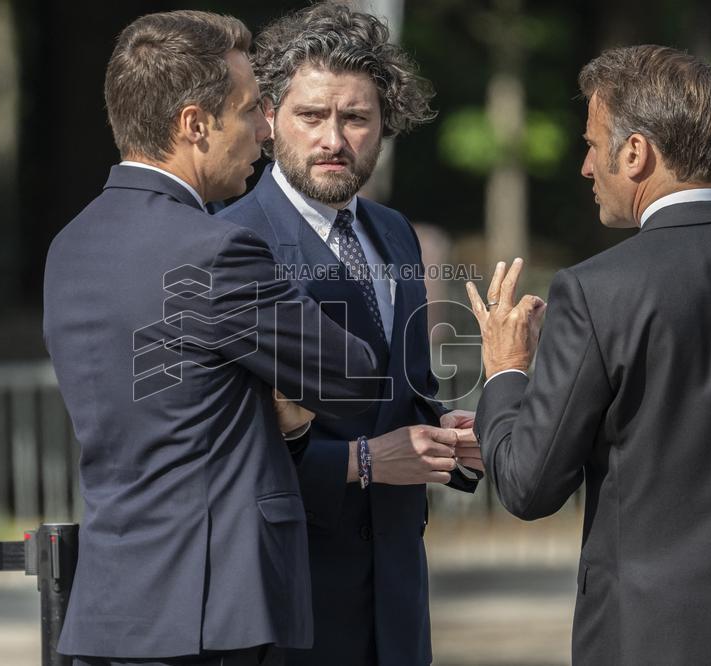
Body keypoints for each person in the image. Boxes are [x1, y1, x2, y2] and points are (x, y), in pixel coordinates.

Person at [43, 11, 388, 666]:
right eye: (250, 110)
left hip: (111, 607)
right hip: (212, 615)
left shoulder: (72, 245)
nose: (265, 128)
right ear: (195, 125)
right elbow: (354, 378)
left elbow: (172, 407)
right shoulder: (213, 250)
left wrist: (273, 414)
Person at [467, 45, 711, 665]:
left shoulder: (598, 289)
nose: (584, 167)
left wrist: (507, 373)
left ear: (635, 153)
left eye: (593, 146)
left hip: (649, 638)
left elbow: (528, 484)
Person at [219, 5, 482, 665]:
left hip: (397, 594)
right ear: (270, 116)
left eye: (355, 118)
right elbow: (222, 444)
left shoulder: (395, 233)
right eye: (312, 115)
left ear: (385, 125)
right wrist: (362, 463)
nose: (333, 138)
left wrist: (450, 438)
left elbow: (403, 396)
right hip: (286, 596)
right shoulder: (231, 241)